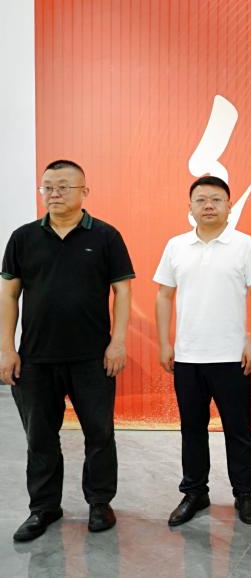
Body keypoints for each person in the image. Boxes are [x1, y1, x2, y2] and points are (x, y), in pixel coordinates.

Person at [0, 159, 134, 541]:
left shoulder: (106, 236)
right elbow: (8, 295)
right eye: (48, 187)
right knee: (39, 437)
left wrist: (118, 342)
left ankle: (100, 503)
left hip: (92, 358)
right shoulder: (22, 238)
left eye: (63, 186)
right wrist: (6, 348)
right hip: (36, 359)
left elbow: (123, 291)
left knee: (99, 433)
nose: (54, 193)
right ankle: (43, 508)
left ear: (84, 192)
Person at [154, 175, 251, 527]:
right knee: (192, 427)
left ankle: (244, 493)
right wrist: (165, 343)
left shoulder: (245, 245)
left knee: (238, 428)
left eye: (216, 200)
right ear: (189, 207)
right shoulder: (176, 246)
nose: (208, 206)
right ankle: (194, 492)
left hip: (232, 356)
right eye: (201, 199)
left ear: (229, 206)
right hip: (188, 356)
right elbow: (164, 295)